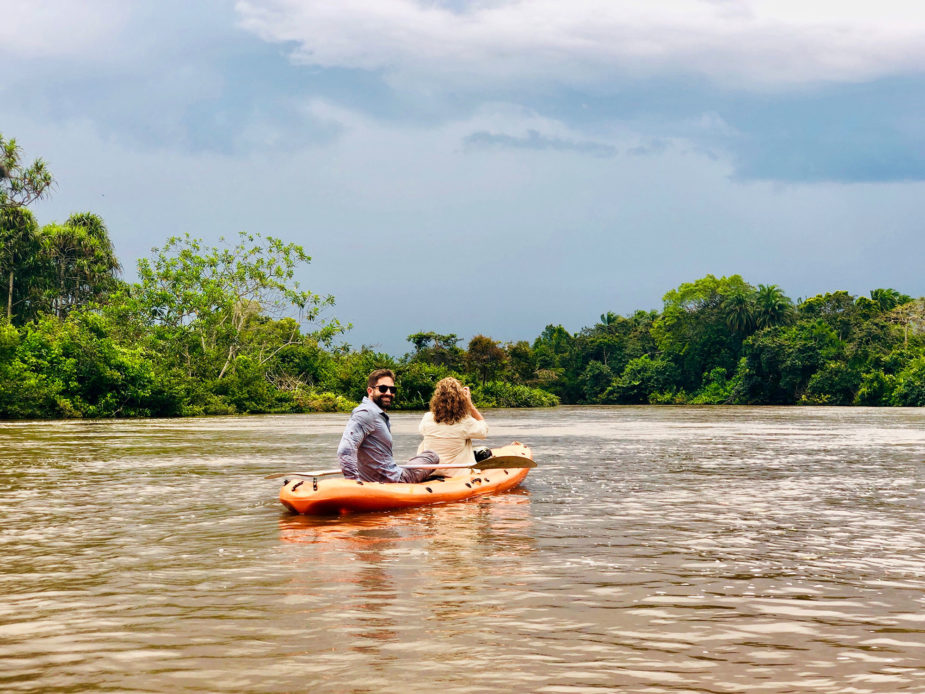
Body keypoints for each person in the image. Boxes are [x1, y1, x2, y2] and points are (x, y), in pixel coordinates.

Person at [337, 368, 438, 483]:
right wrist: (354, 483)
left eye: (392, 389)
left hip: (382, 477)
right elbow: (345, 450)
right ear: (370, 391)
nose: (389, 393)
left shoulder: (374, 414)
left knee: (417, 458)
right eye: (383, 389)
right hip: (394, 480)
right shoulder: (366, 413)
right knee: (432, 455)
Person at [417, 377, 491, 477]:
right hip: (456, 474)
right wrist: (470, 405)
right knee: (486, 452)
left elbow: (422, 431)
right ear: (461, 399)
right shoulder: (465, 421)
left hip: (430, 472)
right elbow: (484, 431)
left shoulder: (427, 418)